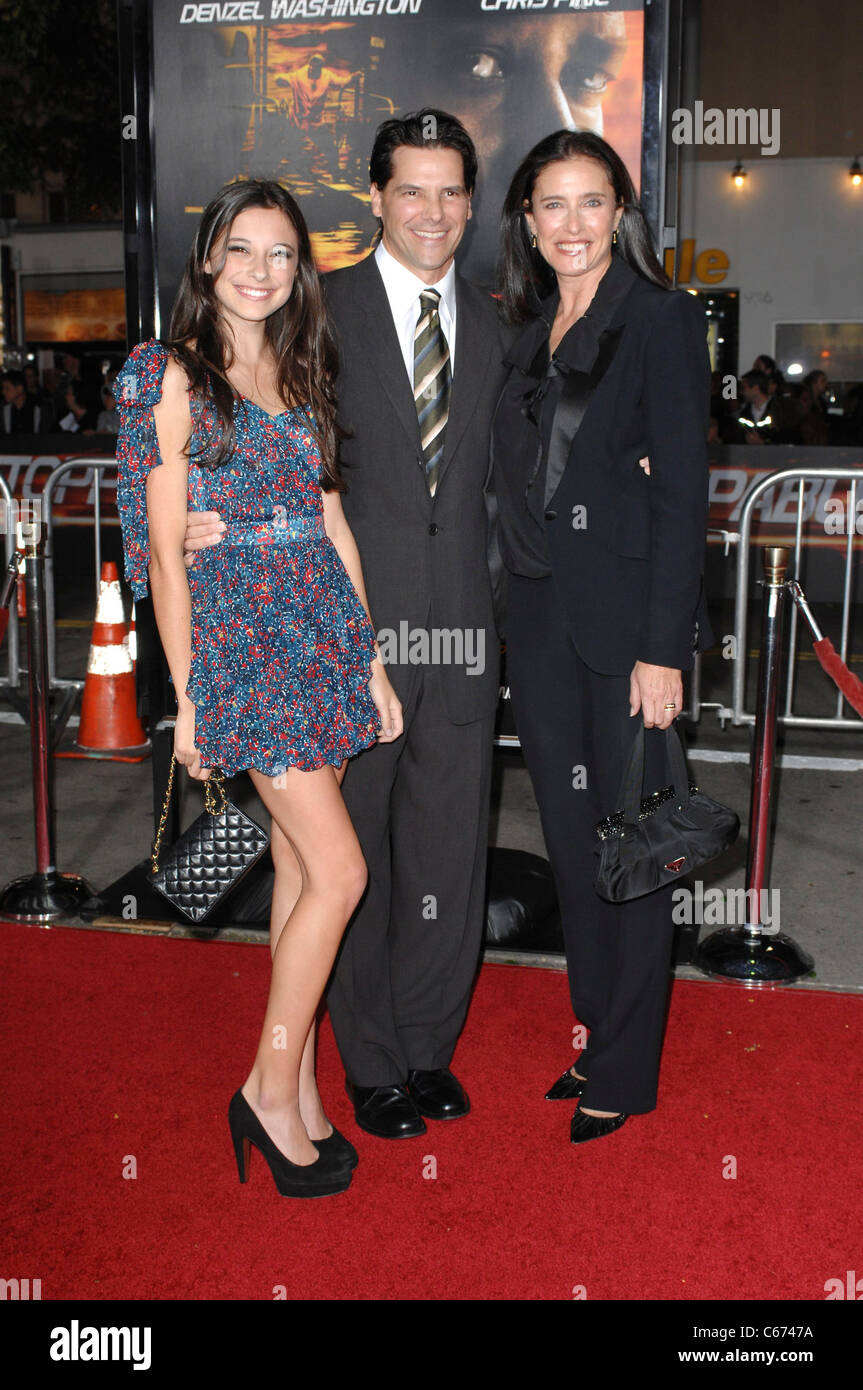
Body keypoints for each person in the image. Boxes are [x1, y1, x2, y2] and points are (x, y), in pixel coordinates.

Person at [184, 111, 513, 1141]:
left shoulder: (502, 323)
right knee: (349, 853)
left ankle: (426, 1046)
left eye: (450, 191)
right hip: (341, 636)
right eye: (409, 189)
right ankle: (366, 1059)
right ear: (374, 196)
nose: (431, 210)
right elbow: (248, 434)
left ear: (470, 201)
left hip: (463, 628)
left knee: (450, 855)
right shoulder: (319, 312)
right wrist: (212, 526)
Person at [115, 179, 403, 1197]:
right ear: (206, 259)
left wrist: (367, 662)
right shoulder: (165, 375)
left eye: (281, 254)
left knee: (296, 871)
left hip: (320, 632)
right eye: (242, 250)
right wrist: (191, 697)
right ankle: (268, 1087)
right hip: (243, 649)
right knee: (342, 872)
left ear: (299, 270)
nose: (260, 271)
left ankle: (304, 1081)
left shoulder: (299, 364)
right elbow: (158, 549)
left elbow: (331, 527)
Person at [490, 130, 711, 1144]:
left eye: (590, 203)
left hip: (625, 632)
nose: (571, 224)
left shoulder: (659, 319)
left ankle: (626, 1066)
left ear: (618, 212)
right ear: (526, 223)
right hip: (533, 618)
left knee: (634, 848)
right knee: (574, 846)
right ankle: (593, 1031)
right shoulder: (526, 327)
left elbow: (680, 498)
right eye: (551, 205)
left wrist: (663, 649)